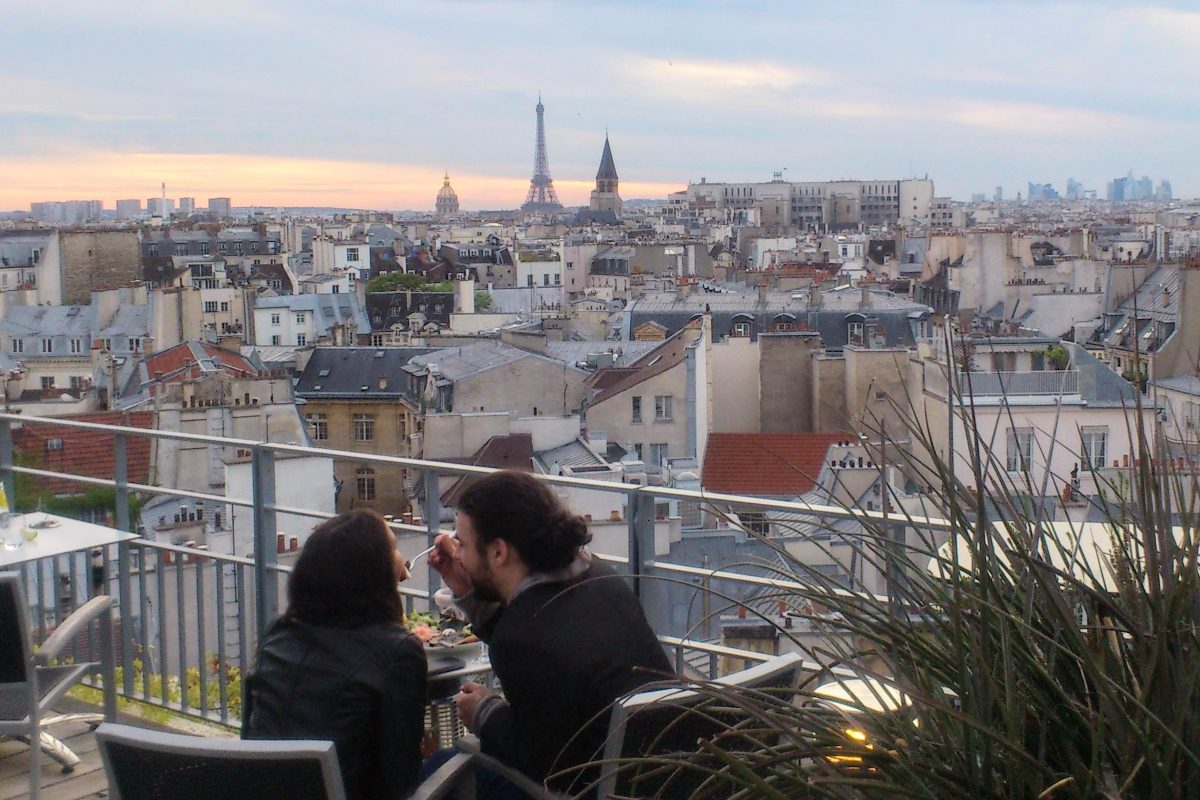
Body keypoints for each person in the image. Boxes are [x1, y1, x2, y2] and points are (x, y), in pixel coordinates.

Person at [428, 470, 673, 795]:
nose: (458, 554)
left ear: (498, 552)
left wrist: (484, 713)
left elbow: (541, 761)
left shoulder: (519, 641)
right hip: (667, 772)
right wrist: (466, 589)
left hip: (595, 786)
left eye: (463, 543)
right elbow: (537, 631)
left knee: (439, 766)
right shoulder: (600, 577)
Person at [244, 509, 427, 800]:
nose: (402, 560)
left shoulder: (277, 637)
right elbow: (400, 779)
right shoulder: (398, 653)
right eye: (393, 548)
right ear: (373, 571)